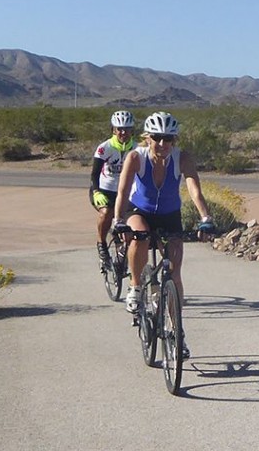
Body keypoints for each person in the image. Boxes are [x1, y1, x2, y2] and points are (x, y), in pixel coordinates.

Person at [112, 112, 217, 318]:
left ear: (174, 140)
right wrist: (118, 220)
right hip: (139, 210)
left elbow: (195, 191)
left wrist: (206, 218)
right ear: (147, 137)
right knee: (140, 235)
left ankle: (176, 330)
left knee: (174, 274)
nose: (162, 143)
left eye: (168, 138)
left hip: (170, 214)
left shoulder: (182, 158)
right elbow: (123, 192)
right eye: (157, 138)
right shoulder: (136, 157)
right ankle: (135, 286)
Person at [90, 110, 137, 268]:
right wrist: (96, 192)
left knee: (131, 221)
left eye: (127, 129)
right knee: (107, 213)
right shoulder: (105, 148)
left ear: (132, 130)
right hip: (104, 189)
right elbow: (94, 173)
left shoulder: (137, 149)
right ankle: (101, 244)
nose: (123, 132)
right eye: (119, 129)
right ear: (113, 130)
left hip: (126, 192)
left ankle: (122, 252)